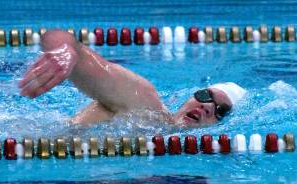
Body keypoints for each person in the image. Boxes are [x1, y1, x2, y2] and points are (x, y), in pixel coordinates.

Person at [19, 29, 246, 128]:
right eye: (206, 95)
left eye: (220, 110)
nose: (206, 106)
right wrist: (66, 51)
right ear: (191, 96)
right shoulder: (144, 102)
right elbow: (61, 40)